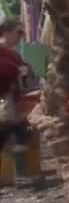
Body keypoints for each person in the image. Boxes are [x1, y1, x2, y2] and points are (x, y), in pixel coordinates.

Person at [0, 19, 41, 189]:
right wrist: (17, 71)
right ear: (6, 32)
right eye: (19, 32)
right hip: (4, 102)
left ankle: (21, 176)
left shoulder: (13, 54)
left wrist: (25, 71)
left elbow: (25, 73)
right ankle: (20, 177)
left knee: (21, 134)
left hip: (12, 103)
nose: (22, 36)